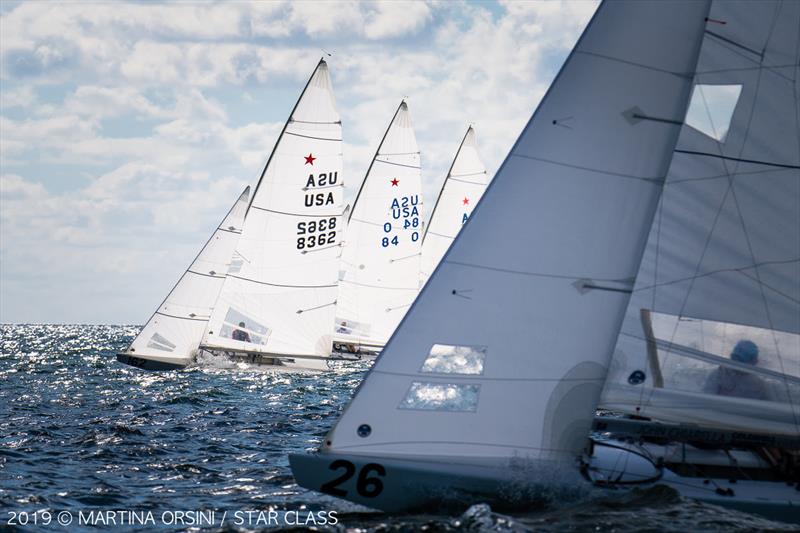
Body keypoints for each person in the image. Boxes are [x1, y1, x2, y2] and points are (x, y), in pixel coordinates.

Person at [702, 340, 769, 400]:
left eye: (739, 359)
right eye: (735, 358)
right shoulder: (718, 375)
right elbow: (706, 398)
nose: (735, 361)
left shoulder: (757, 384)